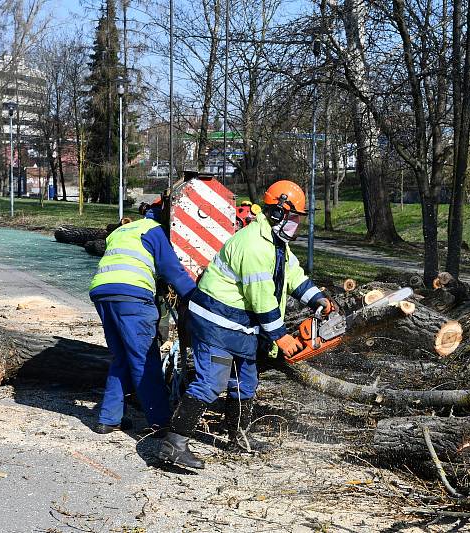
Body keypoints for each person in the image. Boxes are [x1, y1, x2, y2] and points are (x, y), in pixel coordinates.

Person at [158, 180, 333, 469]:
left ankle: (238, 437)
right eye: (294, 217)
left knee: (246, 381)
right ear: (277, 214)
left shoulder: (276, 244)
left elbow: (292, 275)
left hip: (240, 326)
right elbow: (261, 298)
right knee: (212, 381)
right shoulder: (254, 245)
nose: (297, 224)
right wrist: (280, 336)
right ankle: (174, 443)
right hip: (215, 322)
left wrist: (317, 298)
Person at [89, 200, 196, 435]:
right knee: (145, 360)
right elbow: (171, 271)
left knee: (122, 357)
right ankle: (160, 422)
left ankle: (109, 418)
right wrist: (196, 297)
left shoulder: (123, 230)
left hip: (102, 292)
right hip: (131, 296)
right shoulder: (154, 230)